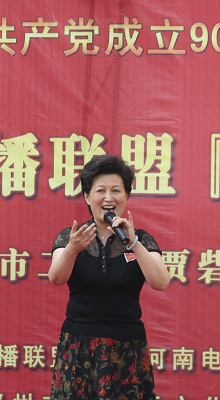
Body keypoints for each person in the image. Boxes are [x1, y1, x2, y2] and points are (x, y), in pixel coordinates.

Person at [48, 154, 170, 400]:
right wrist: (72, 249)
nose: (108, 198)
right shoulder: (71, 237)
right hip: (79, 346)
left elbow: (161, 282)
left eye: (116, 190)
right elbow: (56, 278)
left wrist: (133, 242)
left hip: (127, 347)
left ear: (126, 196)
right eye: (100, 190)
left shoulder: (141, 239)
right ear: (87, 197)